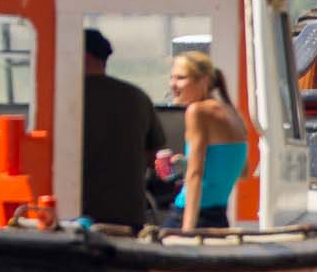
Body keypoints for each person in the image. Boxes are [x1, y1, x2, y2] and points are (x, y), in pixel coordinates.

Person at [80, 28, 161, 228]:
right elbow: (155, 157)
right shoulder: (138, 97)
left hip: (77, 214)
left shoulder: (66, 98)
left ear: (82, 55)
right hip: (129, 214)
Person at [167, 50, 249, 231]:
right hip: (218, 216)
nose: (173, 84)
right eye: (172, 77)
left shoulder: (197, 111)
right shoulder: (232, 113)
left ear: (203, 81)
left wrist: (187, 230)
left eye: (181, 78)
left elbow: (195, 175)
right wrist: (185, 163)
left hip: (190, 215)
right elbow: (243, 171)